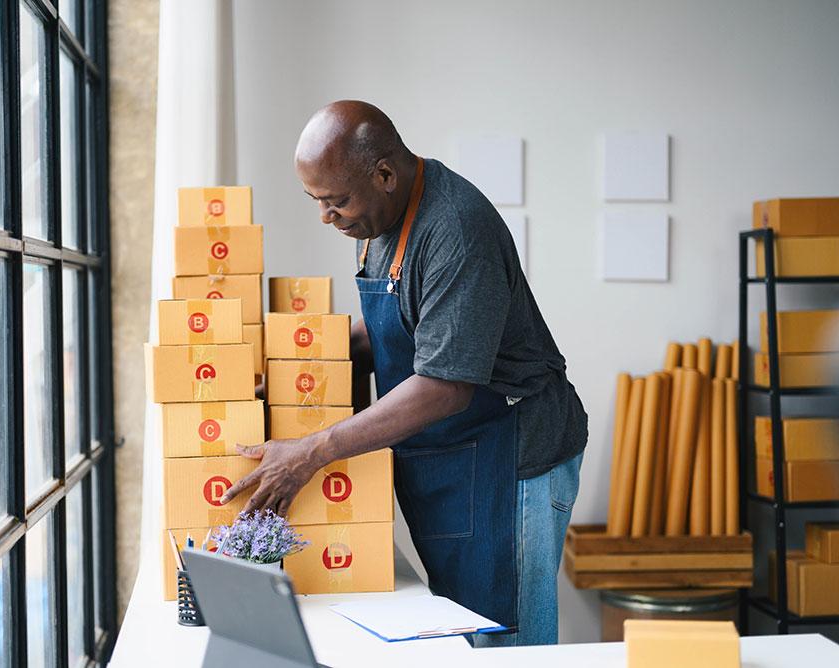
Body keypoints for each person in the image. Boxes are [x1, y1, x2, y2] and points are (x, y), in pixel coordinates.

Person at [221, 100, 588, 646]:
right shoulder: (380, 218)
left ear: (385, 174)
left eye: (336, 201)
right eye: (316, 202)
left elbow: (444, 385)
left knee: (507, 646)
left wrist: (311, 451)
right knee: (465, 637)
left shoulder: (456, 230)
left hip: (511, 462)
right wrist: (296, 368)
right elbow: (407, 324)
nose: (326, 217)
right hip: (454, 461)